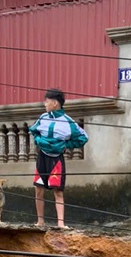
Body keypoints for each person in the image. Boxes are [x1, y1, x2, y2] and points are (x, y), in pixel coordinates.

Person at [29, 88, 88, 228]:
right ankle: (40, 221)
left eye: (47, 101)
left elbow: (83, 137)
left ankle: (61, 223)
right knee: (38, 189)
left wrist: (66, 145)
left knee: (58, 191)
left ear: (55, 103)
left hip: (56, 160)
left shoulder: (69, 122)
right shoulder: (43, 117)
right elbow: (33, 130)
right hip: (42, 157)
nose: (45, 104)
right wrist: (38, 141)